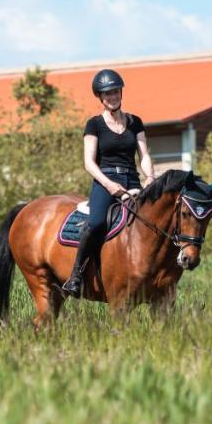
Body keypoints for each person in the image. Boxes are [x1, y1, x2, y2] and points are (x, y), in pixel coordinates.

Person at [61, 68, 155, 297]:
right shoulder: (94, 124)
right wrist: (109, 184)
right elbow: (88, 162)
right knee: (96, 223)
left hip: (132, 180)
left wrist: (150, 177)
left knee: (151, 222)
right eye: (107, 94)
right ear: (100, 98)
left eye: (115, 92)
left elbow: (144, 155)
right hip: (105, 181)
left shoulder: (135, 122)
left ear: (121, 93)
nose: (112, 97)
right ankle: (76, 275)